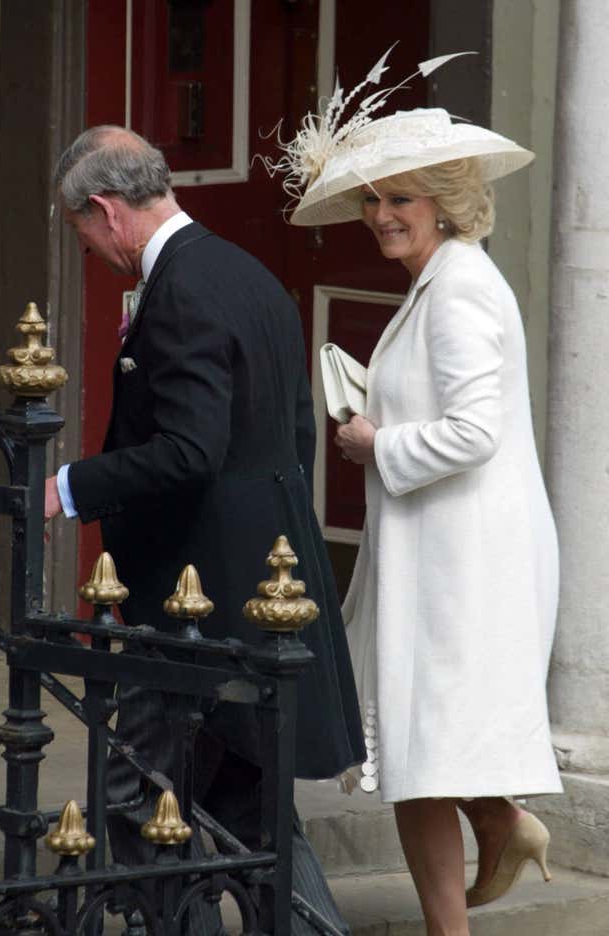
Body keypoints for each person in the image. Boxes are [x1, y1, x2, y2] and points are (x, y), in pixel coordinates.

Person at [44, 124, 365, 934]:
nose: (89, 250)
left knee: (136, 793)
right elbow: (288, 439)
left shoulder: (182, 287)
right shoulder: (247, 273)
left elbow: (190, 449)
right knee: (248, 809)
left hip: (197, 597)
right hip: (261, 584)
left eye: (82, 233)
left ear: (107, 211)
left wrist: (69, 485)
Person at [278, 91, 563, 934]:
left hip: (463, 562)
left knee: (415, 754)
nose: (380, 215)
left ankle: (462, 907)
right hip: (439, 551)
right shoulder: (439, 283)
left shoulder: (460, 289)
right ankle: (501, 828)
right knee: (418, 749)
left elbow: (475, 432)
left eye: (401, 198)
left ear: (445, 201)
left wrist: (376, 443)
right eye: (372, 198)